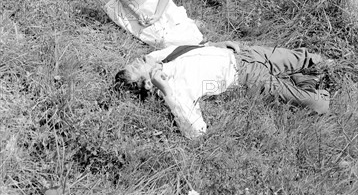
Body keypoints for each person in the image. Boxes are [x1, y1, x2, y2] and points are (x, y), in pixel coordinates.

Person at [115, 40, 331, 139]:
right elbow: (196, 131)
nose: (138, 59)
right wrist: (167, 91)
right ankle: (310, 82)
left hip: (244, 52)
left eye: (135, 61)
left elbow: (193, 46)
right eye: (137, 67)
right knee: (319, 104)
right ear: (147, 83)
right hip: (248, 75)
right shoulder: (174, 89)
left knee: (313, 60)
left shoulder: (161, 58)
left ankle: (323, 70)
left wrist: (219, 44)